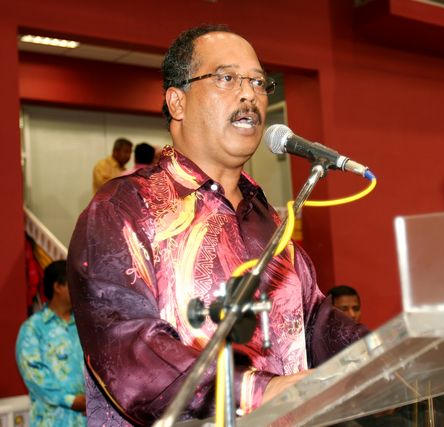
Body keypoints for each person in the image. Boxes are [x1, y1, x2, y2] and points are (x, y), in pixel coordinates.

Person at [68, 24, 367, 426]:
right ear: (177, 102)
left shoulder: (266, 217)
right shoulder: (122, 209)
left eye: (258, 82)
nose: (249, 95)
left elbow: (312, 320)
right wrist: (257, 391)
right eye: (227, 78)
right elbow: (128, 353)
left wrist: (380, 355)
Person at [15, 260, 86, 426]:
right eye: (73, 283)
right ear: (58, 287)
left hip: (87, 420)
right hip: (52, 420)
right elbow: (33, 375)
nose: (79, 289)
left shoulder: (84, 326)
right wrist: (70, 400)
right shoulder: (34, 328)